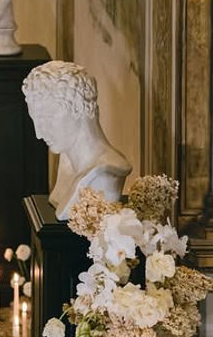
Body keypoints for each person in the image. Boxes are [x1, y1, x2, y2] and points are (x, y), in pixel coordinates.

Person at [20, 60, 131, 219]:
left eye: (47, 118)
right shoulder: (67, 159)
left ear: (78, 107)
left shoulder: (106, 173)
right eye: (36, 120)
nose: (39, 133)